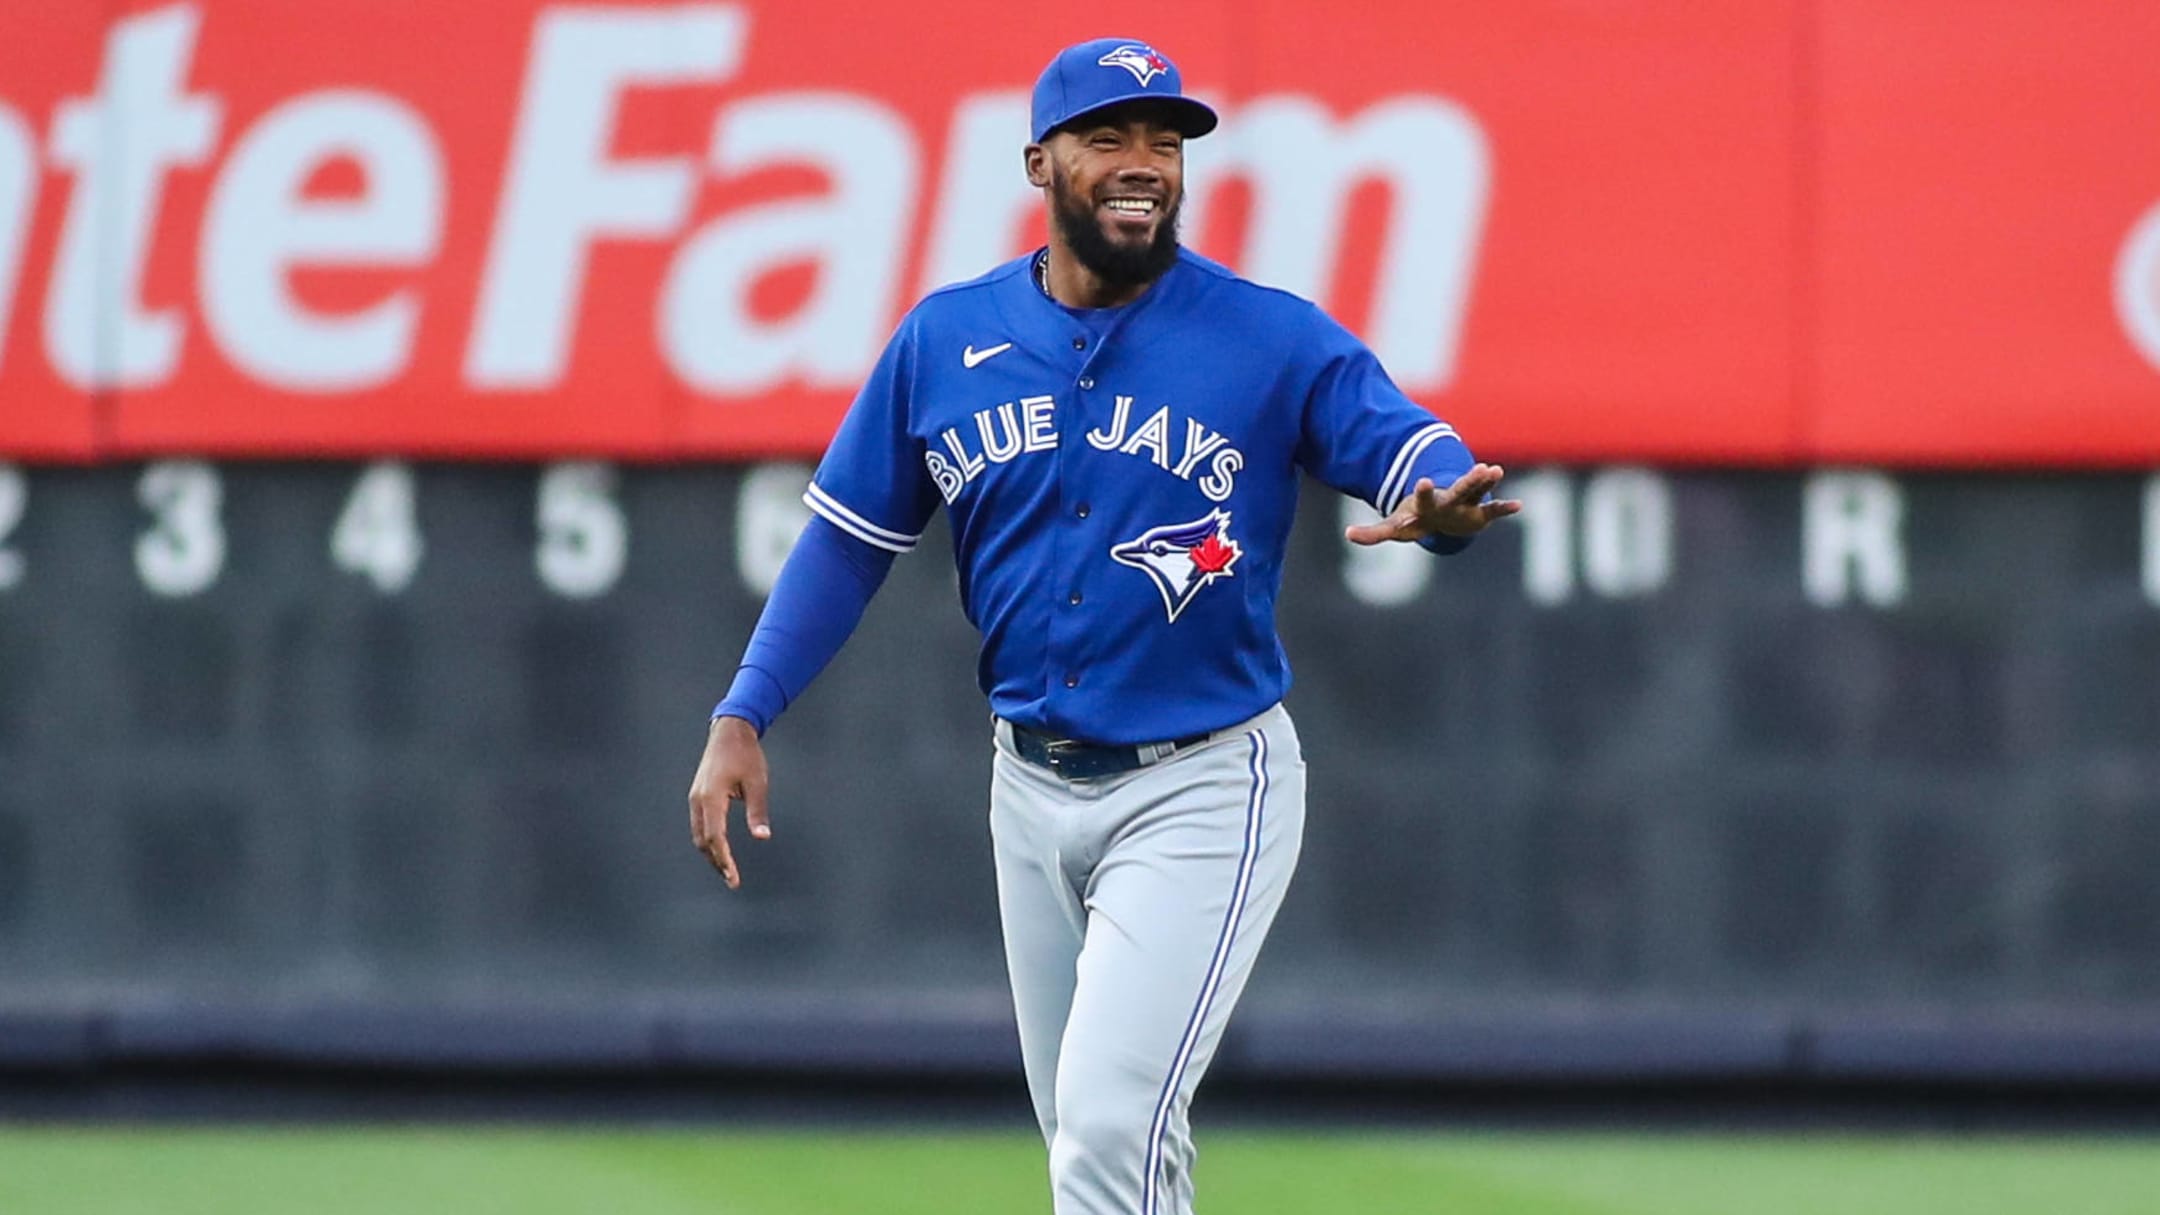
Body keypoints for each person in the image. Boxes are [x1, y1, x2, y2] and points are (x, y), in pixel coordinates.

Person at [688, 35, 1519, 1215]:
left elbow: (1402, 443)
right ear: (1041, 160)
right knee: (1105, 1143)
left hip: (1199, 785)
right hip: (1026, 786)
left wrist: (1438, 507)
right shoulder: (944, 340)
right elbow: (843, 543)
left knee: (1108, 1127)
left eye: (1166, 142)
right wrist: (744, 707)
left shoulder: (1264, 335)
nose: (1145, 163)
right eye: (1110, 136)